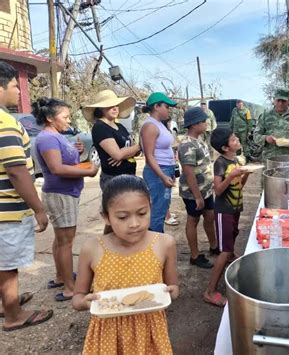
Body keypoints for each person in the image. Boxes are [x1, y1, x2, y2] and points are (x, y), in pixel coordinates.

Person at [72, 175, 178, 354]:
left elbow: (173, 286)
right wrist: (85, 302)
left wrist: (171, 292)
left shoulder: (165, 244)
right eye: (122, 217)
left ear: (151, 208)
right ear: (106, 217)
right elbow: (77, 298)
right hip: (107, 335)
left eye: (142, 213)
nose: (134, 224)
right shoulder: (92, 248)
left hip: (150, 333)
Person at [0, 61, 52, 331]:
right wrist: (38, 208)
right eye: (12, 86)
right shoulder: (5, 122)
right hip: (7, 209)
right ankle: (13, 315)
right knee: (8, 264)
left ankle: (6, 303)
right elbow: (17, 171)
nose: (18, 92)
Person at [33, 98, 98, 301]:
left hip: (65, 193)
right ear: (50, 118)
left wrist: (75, 152)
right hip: (61, 194)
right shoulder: (48, 138)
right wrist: (88, 171)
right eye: (65, 117)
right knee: (66, 242)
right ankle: (71, 287)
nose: (68, 121)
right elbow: (57, 168)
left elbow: (62, 160)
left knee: (61, 239)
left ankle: (62, 276)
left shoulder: (56, 136)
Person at [203, 128, 250, 307]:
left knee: (232, 236)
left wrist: (244, 175)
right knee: (224, 250)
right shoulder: (220, 163)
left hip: (236, 207)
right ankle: (210, 291)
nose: (237, 139)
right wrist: (231, 176)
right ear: (225, 147)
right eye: (233, 139)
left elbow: (239, 186)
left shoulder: (236, 159)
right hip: (224, 210)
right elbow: (218, 190)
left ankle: (230, 255)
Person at [178, 107, 218, 269]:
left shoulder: (199, 140)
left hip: (206, 190)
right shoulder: (187, 145)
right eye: (202, 121)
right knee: (193, 220)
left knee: (210, 217)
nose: (206, 123)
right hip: (193, 193)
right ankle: (195, 256)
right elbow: (188, 173)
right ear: (193, 125)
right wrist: (197, 197)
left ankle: (214, 246)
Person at [83, 89, 140, 191]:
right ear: (100, 109)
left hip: (129, 175)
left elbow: (134, 151)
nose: (115, 108)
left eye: (116, 105)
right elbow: (118, 155)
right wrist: (138, 147)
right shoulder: (100, 127)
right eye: (110, 106)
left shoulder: (120, 126)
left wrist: (125, 152)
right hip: (113, 178)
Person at [140, 92, 178, 233]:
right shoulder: (150, 126)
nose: (169, 109)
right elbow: (149, 156)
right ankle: (156, 246)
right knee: (157, 211)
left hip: (165, 169)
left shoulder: (158, 124)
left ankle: (156, 243)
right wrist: (162, 176)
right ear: (156, 106)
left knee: (162, 208)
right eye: (167, 106)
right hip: (158, 172)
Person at [253, 88, 289, 161]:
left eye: (283, 101)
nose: (280, 103)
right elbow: (256, 135)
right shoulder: (265, 116)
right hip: (269, 158)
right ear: (274, 100)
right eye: (278, 100)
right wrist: (266, 138)